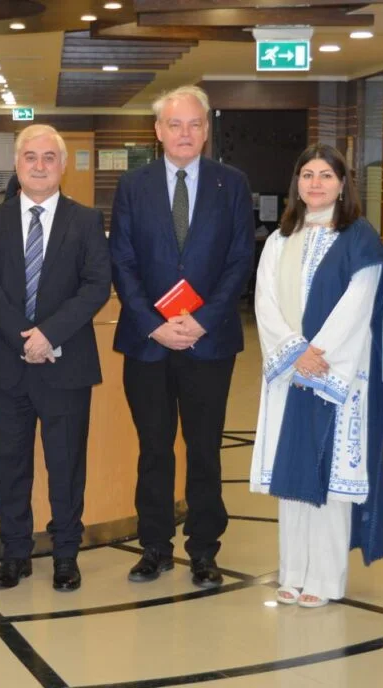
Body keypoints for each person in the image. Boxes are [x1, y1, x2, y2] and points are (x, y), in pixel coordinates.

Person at [110, 85, 254, 588]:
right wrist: (153, 323)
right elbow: (122, 261)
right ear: (158, 131)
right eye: (175, 124)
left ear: (206, 129)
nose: (185, 133)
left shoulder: (231, 184)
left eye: (194, 124)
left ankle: (204, 549)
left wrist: (204, 319)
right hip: (147, 342)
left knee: (204, 448)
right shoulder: (133, 185)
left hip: (208, 342)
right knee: (153, 448)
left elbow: (241, 258)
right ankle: (154, 546)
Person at [249, 143, 383, 608]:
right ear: (297, 184)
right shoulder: (280, 239)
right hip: (290, 371)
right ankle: (292, 571)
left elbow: (359, 304)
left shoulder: (360, 238)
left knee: (330, 475)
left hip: (339, 374)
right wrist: (295, 352)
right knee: (291, 472)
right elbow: (265, 301)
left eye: (326, 175)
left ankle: (326, 578)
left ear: (343, 183)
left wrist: (319, 353)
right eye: (307, 174)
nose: (316, 183)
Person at [0, 124, 110, 591]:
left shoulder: (85, 220)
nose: (39, 165)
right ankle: (15, 554)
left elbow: (96, 285)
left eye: (49, 157)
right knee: (10, 465)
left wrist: (48, 335)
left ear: (63, 166)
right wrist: (23, 338)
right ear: (17, 164)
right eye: (30, 156)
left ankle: (66, 555)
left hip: (65, 364)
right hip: (6, 364)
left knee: (66, 466)